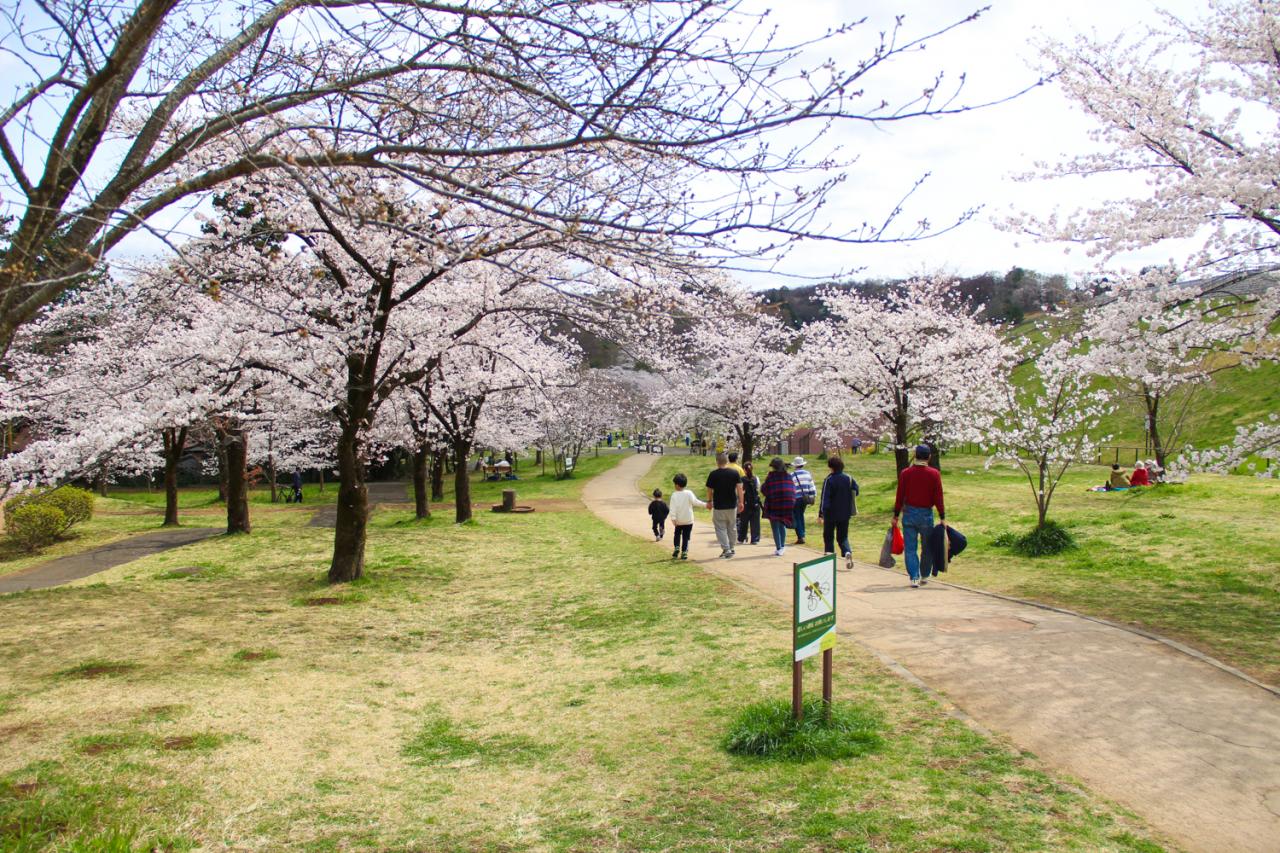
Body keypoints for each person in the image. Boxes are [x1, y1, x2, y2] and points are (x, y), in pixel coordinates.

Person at [893, 444, 946, 588]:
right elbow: (938, 496)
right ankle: (924, 574)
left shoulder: (905, 473)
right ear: (929, 456)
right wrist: (942, 515)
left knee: (910, 548)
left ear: (915, 455)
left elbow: (900, 496)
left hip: (909, 513)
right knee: (927, 547)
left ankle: (914, 576)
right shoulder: (934, 474)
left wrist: (896, 514)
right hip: (926, 514)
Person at [818, 456, 858, 571]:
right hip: (845, 513)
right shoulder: (849, 478)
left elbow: (825, 498)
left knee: (828, 536)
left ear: (831, 467)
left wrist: (821, 514)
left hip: (830, 513)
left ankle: (829, 560)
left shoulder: (829, 480)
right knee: (843, 537)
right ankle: (847, 552)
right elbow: (856, 491)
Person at [705, 452, 744, 558]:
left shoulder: (713, 474)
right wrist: (741, 502)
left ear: (717, 462)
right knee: (732, 526)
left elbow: (709, 490)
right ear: (726, 461)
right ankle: (731, 548)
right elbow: (740, 488)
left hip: (719, 505)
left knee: (720, 527)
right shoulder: (734, 473)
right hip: (732, 504)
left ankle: (726, 548)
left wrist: (709, 501)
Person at [761, 457, 797, 557]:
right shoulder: (788, 476)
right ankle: (782, 546)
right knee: (782, 523)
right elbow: (793, 489)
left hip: (775, 503)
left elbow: (764, 489)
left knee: (775, 525)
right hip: (788, 504)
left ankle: (779, 548)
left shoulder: (771, 477)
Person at [667, 473, 706, 560]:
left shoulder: (674, 495)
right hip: (688, 520)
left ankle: (677, 547)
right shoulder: (689, 493)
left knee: (677, 534)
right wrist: (705, 505)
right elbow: (696, 502)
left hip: (679, 520)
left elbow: (672, 508)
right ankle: (684, 552)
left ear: (677, 485)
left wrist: (673, 518)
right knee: (686, 536)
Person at [789, 456, 817, 545]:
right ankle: (802, 534)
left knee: (797, 516)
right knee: (800, 515)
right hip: (805, 498)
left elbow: (790, 488)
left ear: (795, 465)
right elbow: (812, 486)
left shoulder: (792, 475)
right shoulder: (807, 474)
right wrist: (812, 496)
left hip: (796, 498)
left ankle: (800, 536)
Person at [737, 461, 761, 545]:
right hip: (755, 503)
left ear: (744, 469)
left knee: (744, 521)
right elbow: (758, 488)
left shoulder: (741, 479)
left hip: (745, 503)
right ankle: (755, 539)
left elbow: (740, 491)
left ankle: (742, 538)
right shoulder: (756, 478)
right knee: (755, 522)